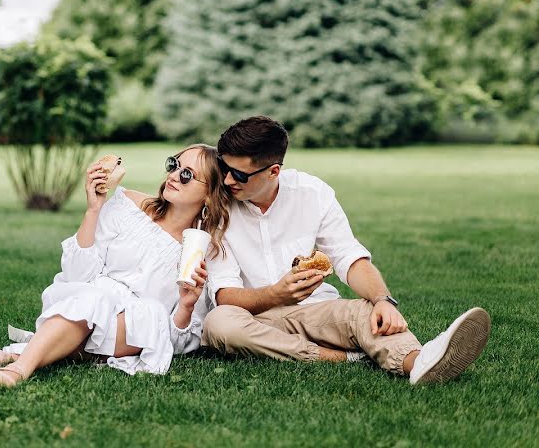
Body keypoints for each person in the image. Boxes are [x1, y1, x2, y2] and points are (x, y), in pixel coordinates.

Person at [203, 116, 491, 385]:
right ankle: (338, 356)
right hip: (253, 319)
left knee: (366, 312)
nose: (227, 180)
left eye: (239, 175)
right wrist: (277, 294)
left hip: (316, 311)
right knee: (219, 324)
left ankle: (419, 363)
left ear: (273, 171)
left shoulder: (312, 193)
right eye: (224, 169)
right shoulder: (218, 207)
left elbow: (348, 256)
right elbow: (224, 295)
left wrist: (382, 300)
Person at [0, 144, 232, 387]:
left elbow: (177, 341)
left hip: (135, 325)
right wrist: (94, 210)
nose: (175, 175)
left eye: (187, 174)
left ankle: (26, 355)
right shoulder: (128, 206)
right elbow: (76, 275)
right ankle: (20, 368)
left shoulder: (203, 250)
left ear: (209, 194)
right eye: (174, 165)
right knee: (93, 299)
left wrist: (187, 305)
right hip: (86, 304)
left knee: (147, 315)